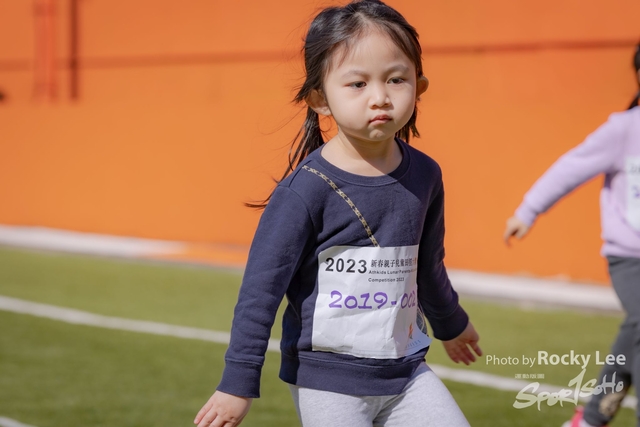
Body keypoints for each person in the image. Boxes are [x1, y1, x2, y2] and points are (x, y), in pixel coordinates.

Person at [193, 1, 482, 426]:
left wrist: (451, 323)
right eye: (357, 83)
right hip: (327, 382)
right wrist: (237, 383)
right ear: (319, 99)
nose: (380, 97)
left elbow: (426, 265)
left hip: (406, 372)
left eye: (396, 79)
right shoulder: (304, 191)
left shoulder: (426, 174)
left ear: (419, 86)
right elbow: (260, 292)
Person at [504, 43, 640, 427]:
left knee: (634, 330)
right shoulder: (624, 129)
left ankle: (591, 419)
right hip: (630, 258)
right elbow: (572, 166)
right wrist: (528, 210)